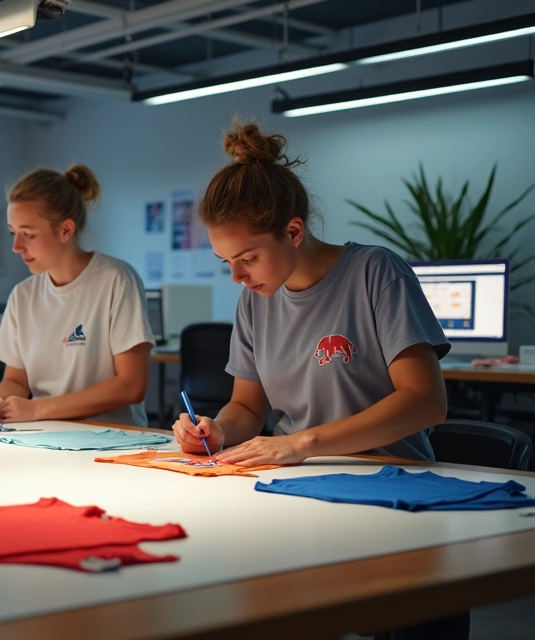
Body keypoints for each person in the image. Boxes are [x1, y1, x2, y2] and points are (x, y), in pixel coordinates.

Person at [170, 120, 459, 639]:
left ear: (294, 232)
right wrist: (215, 430)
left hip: (389, 494)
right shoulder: (254, 302)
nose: (237, 276)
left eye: (247, 258)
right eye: (226, 263)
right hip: (296, 489)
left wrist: (303, 444)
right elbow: (246, 410)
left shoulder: (376, 273)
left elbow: (425, 402)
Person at [0, 165, 155, 427]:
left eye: (29, 234)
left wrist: (37, 409)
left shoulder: (116, 279)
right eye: (13, 233)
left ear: (65, 230)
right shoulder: (23, 295)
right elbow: (16, 381)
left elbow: (131, 385)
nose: (16, 247)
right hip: (43, 434)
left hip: (112, 437)